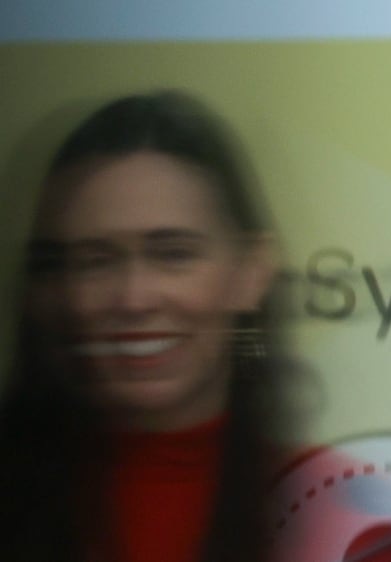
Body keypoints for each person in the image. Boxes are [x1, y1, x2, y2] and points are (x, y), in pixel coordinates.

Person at [0, 91, 292, 562]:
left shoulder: (337, 510)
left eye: (173, 254)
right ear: (47, 289)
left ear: (251, 273)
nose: (134, 298)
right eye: (95, 260)